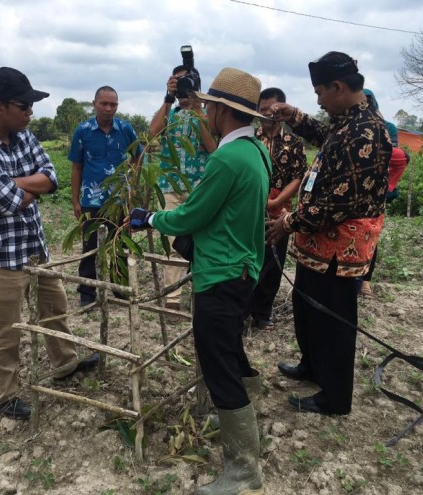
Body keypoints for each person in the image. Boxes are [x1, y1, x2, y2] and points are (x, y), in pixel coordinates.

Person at [130, 67, 270, 495]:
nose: (204, 111)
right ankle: (241, 415)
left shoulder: (228, 158)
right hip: (243, 267)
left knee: (218, 361)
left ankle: (244, 470)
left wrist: (151, 217)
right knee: (229, 349)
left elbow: (193, 214)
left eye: (209, 106)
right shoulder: (256, 151)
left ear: (222, 111)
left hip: (221, 273)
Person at [0, 67, 98, 420]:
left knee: (55, 307)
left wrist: (17, 185)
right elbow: (8, 201)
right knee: (6, 327)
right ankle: (4, 396)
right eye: (25, 106)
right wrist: (23, 189)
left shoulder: (23, 136)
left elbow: (51, 178)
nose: (30, 113)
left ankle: (65, 364)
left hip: (33, 245)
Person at [266, 52, 391, 416]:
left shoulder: (366, 130)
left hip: (340, 246)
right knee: (307, 308)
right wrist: (296, 118)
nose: (317, 100)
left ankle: (335, 397)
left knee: (332, 319)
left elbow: (340, 203)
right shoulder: (349, 123)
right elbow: (326, 138)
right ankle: (311, 366)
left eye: (319, 92)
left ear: (338, 87)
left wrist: (288, 222)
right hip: (319, 242)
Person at [148, 66, 216, 312]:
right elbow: (152, 135)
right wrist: (167, 97)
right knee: (173, 237)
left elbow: (212, 148)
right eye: (177, 81)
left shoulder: (208, 114)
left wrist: (198, 107)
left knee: (202, 239)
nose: (182, 86)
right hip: (169, 185)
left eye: (185, 81)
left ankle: (201, 288)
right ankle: (173, 297)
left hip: (200, 186)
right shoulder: (169, 112)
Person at [69, 87, 142, 306]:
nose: (109, 109)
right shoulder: (83, 131)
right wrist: (75, 200)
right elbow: (76, 166)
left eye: (113, 104)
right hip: (91, 199)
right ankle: (87, 294)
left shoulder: (125, 129)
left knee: (119, 243)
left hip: (119, 200)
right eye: (104, 104)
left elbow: (140, 155)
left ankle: (119, 289)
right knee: (90, 247)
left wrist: (132, 179)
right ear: (94, 104)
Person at [249, 87, 307, 330]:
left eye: (271, 109)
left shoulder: (294, 142)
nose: (267, 114)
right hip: (251, 209)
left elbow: (298, 176)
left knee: (274, 263)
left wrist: (275, 202)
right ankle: (242, 310)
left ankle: (262, 313)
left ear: (282, 108)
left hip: (279, 211)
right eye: (262, 110)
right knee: (249, 259)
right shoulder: (251, 138)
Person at [358, 89, 409, 297]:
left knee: (371, 236)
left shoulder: (386, 127)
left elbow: (391, 155)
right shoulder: (350, 125)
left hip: (375, 192)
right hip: (354, 191)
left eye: (367, 102)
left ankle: (365, 282)